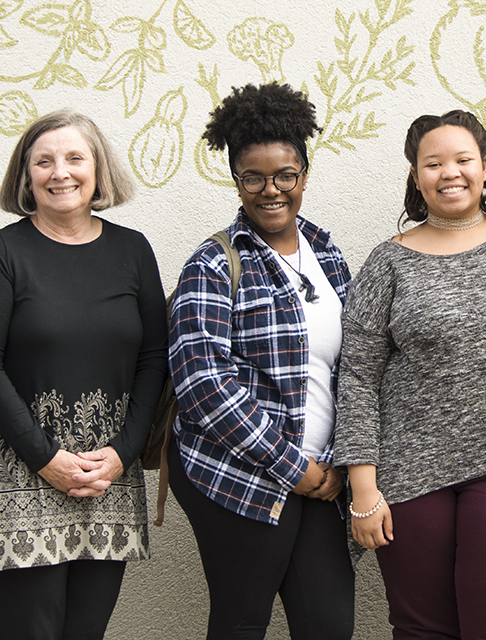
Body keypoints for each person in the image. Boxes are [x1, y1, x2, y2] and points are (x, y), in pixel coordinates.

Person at [336, 109, 486, 639]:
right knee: (423, 629)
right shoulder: (387, 263)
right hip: (410, 465)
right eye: (433, 163)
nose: (450, 173)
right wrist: (363, 489)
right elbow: (357, 378)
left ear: (484, 168)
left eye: (463, 160)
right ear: (416, 177)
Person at [0, 110, 168, 639]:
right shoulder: (3, 251)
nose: (60, 172)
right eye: (43, 161)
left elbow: (154, 358)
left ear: (98, 170)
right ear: (25, 176)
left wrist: (123, 452)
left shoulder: (132, 250)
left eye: (75, 158)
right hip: (19, 472)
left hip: (106, 475)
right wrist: (44, 458)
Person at [167, 82, 355, 640]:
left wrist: (339, 462)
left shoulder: (328, 254)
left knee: (328, 626)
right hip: (240, 476)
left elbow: (355, 369)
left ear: (303, 173)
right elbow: (203, 384)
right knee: (242, 623)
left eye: (285, 175)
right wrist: (290, 466)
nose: (271, 190)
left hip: (324, 474)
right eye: (254, 177)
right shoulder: (213, 263)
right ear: (236, 179)